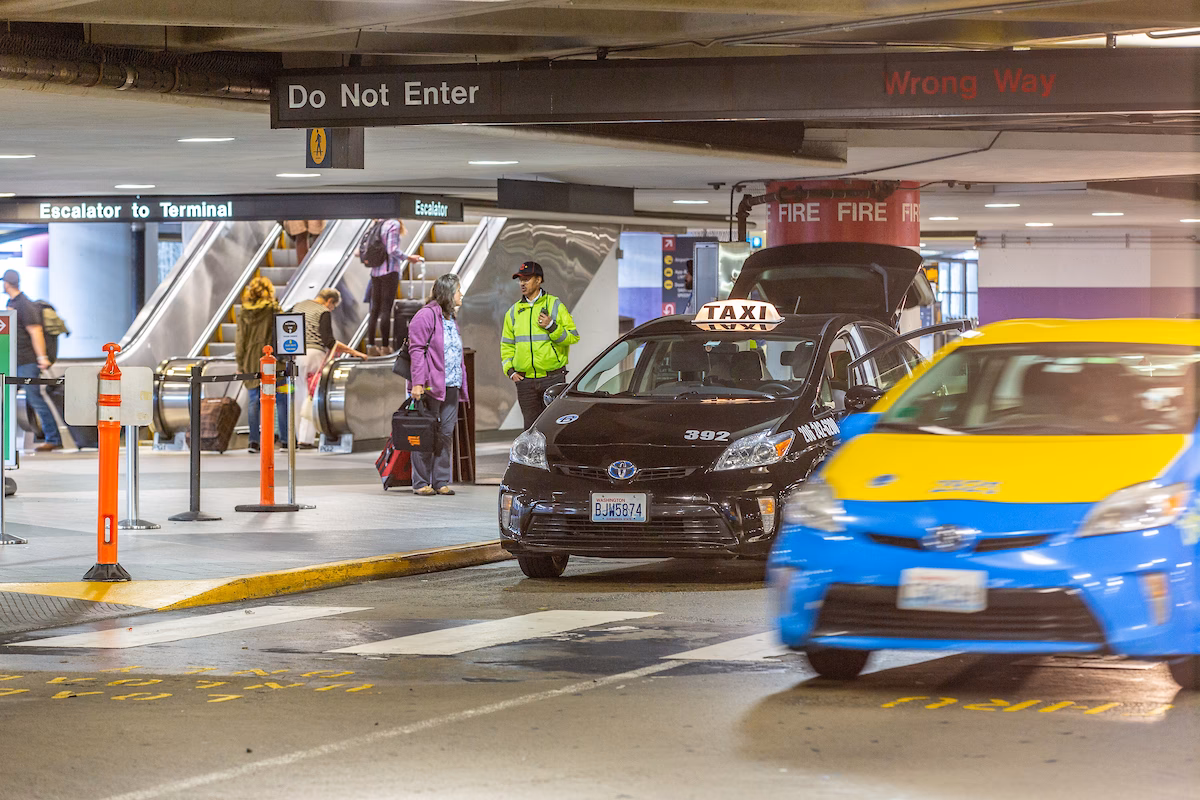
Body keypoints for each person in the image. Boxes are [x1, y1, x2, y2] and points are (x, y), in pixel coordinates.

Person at [409, 274, 469, 496]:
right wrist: (417, 383)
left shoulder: (450, 318)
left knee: (445, 433)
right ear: (447, 293)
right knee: (426, 432)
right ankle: (421, 482)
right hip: (430, 386)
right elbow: (416, 351)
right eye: (458, 290)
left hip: (451, 385)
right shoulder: (425, 316)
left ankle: (440, 480)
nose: (461, 294)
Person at [501, 261, 580, 429]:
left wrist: (552, 326)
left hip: (552, 379)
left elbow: (573, 337)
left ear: (538, 280)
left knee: (554, 427)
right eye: (520, 279)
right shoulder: (514, 311)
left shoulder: (554, 305)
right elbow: (507, 344)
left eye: (527, 279)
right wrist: (510, 370)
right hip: (525, 382)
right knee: (530, 429)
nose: (522, 283)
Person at [288, 288, 367, 448]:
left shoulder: (297, 306)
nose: (332, 309)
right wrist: (353, 352)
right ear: (329, 301)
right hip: (314, 355)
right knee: (312, 396)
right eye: (333, 306)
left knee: (298, 396)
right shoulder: (323, 311)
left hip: (295, 355)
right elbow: (329, 341)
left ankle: (295, 437)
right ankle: (306, 439)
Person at [2, 269, 61, 452]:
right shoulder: (12, 303)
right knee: (9, 398)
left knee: (35, 398)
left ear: (7, 283)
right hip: (16, 361)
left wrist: (42, 357)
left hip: (27, 361)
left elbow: (36, 332)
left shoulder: (24, 304)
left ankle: (53, 438)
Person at [235, 276, 282, 454]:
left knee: (254, 400)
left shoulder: (244, 312)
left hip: (250, 360)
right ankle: (284, 440)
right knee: (281, 399)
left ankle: (254, 441)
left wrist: (240, 362)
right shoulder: (274, 309)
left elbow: (240, 340)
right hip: (273, 360)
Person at [367, 219, 424, 356]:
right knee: (386, 308)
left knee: (374, 309)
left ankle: (371, 346)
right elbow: (392, 249)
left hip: (375, 271)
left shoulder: (377, 223)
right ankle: (386, 346)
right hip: (389, 270)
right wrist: (408, 257)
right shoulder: (393, 224)